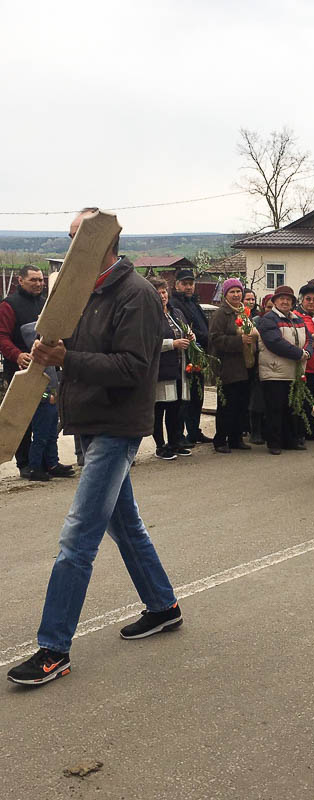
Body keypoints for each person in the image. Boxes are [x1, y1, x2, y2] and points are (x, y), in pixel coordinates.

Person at [7, 209, 182, 687]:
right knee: (125, 526)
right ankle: (163, 605)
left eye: (76, 238)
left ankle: (53, 649)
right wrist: (48, 350)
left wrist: (68, 358)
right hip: (89, 420)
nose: (69, 249)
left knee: (77, 537)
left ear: (102, 241)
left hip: (116, 426)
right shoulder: (82, 291)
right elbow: (78, 351)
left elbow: (133, 367)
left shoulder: (136, 293)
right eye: (68, 238)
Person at [0, 264, 46, 477]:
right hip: (18, 371)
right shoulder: (9, 305)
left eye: (41, 280)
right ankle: (25, 463)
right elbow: (2, 337)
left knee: (44, 415)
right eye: (33, 280)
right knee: (22, 417)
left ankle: (46, 461)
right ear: (20, 280)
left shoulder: (45, 304)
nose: (38, 284)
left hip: (44, 370)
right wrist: (17, 355)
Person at [256, 285, 312, 455]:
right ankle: (274, 442)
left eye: (288, 299)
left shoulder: (297, 319)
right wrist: (299, 354)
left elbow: (309, 339)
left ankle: (289, 440)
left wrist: (308, 352)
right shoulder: (268, 319)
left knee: (291, 408)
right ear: (275, 301)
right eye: (282, 299)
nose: (285, 302)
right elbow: (275, 343)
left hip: (293, 372)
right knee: (275, 409)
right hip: (274, 372)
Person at [19, 321, 75, 482]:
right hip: (43, 403)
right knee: (41, 436)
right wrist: (45, 396)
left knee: (51, 435)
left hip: (52, 400)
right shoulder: (33, 361)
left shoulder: (46, 358)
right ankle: (35, 467)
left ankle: (52, 463)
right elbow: (32, 386)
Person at [209, 277, 256, 453]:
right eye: (232, 292)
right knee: (227, 405)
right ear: (225, 294)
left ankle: (236, 438)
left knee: (240, 405)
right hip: (228, 366)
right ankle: (221, 439)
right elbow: (215, 338)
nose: (236, 295)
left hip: (244, 365)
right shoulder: (221, 314)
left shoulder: (243, 312)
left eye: (238, 291)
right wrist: (239, 341)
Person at [148, 277, 192, 460]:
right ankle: (160, 446)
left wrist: (190, 335)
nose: (162, 296)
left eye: (164, 291)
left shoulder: (176, 312)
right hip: (161, 370)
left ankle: (175, 442)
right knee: (159, 409)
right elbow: (147, 343)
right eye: (158, 293)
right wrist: (172, 344)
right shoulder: (148, 316)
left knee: (176, 408)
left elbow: (185, 330)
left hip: (179, 368)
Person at [169, 268, 212, 445]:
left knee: (197, 396)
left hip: (198, 356)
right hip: (185, 357)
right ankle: (180, 435)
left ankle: (194, 431)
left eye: (191, 284)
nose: (188, 287)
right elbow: (187, 329)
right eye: (185, 284)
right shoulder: (175, 305)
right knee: (185, 399)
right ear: (176, 285)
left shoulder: (194, 302)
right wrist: (204, 338)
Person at [294, 282, 314, 441]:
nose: (312, 303)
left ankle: (312, 430)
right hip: (302, 366)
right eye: (308, 299)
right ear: (301, 300)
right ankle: (300, 431)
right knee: (301, 401)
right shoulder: (295, 317)